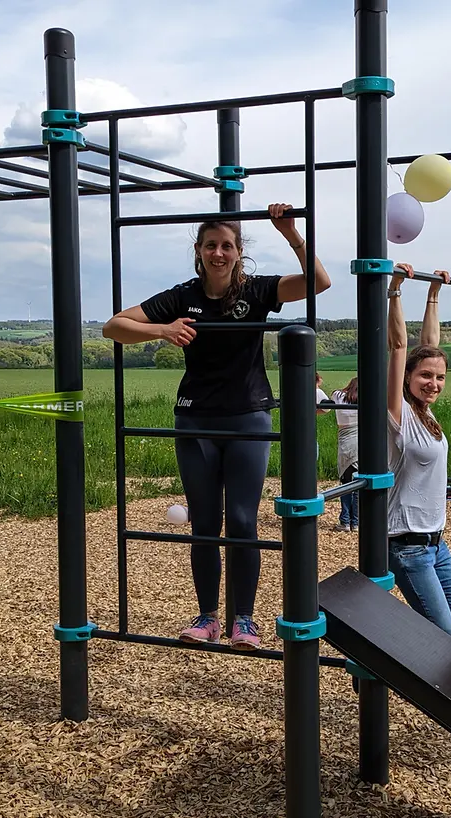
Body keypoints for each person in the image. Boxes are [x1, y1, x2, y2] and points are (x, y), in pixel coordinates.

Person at [103, 203, 330, 650]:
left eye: (227, 245)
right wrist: (162, 331)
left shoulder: (258, 290)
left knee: (243, 521)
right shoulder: (182, 296)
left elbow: (319, 282)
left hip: (248, 416)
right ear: (199, 250)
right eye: (211, 245)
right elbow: (114, 326)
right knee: (205, 521)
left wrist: (291, 234)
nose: (219, 253)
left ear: (239, 252)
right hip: (196, 417)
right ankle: (207, 615)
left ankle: (243, 619)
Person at [385, 263, 451, 638]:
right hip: (405, 544)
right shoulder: (399, 413)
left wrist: (435, 293)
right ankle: (381, 643)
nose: (433, 383)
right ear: (407, 376)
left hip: (436, 542)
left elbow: (429, 345)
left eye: (439, 377)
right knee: (442, 632)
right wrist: (395, 289)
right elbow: (400, 345)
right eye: (425, 375)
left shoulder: (427, 414)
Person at [330, 376, 359, 532]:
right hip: (361, 442)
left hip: (345, 443)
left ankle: (345, 521)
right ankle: (356, 522)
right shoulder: (365, 400)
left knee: (345, 483)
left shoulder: (338, 396)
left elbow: (334, 393)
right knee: (358, 484)